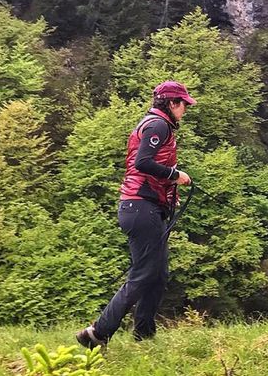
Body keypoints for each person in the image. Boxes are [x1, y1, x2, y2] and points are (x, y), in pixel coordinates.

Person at [77, 81, 195, 348]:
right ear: (172, 103)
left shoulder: (158, 124)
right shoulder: (158, 125)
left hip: (144, 207)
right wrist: (175, 175)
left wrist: (168, 192)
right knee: (144, 273)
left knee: (158, 274)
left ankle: (144, 336)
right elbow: (142, 162)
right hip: (140, 207)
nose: (186, 109)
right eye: (184, 104)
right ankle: (97, 333)